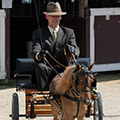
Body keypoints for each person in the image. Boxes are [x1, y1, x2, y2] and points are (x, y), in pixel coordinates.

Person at [31, 2, 80, 91]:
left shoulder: (69, 32)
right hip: (48, 69)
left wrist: (74, 51)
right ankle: (45, 97)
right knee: (40, 67)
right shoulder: (38, 33)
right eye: (53, 16)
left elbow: (76, 47)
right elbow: (35, 49)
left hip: (64, 70)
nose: (56, 18)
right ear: (47, 17)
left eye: (58, 16)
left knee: (74, 68)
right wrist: (39, 54)